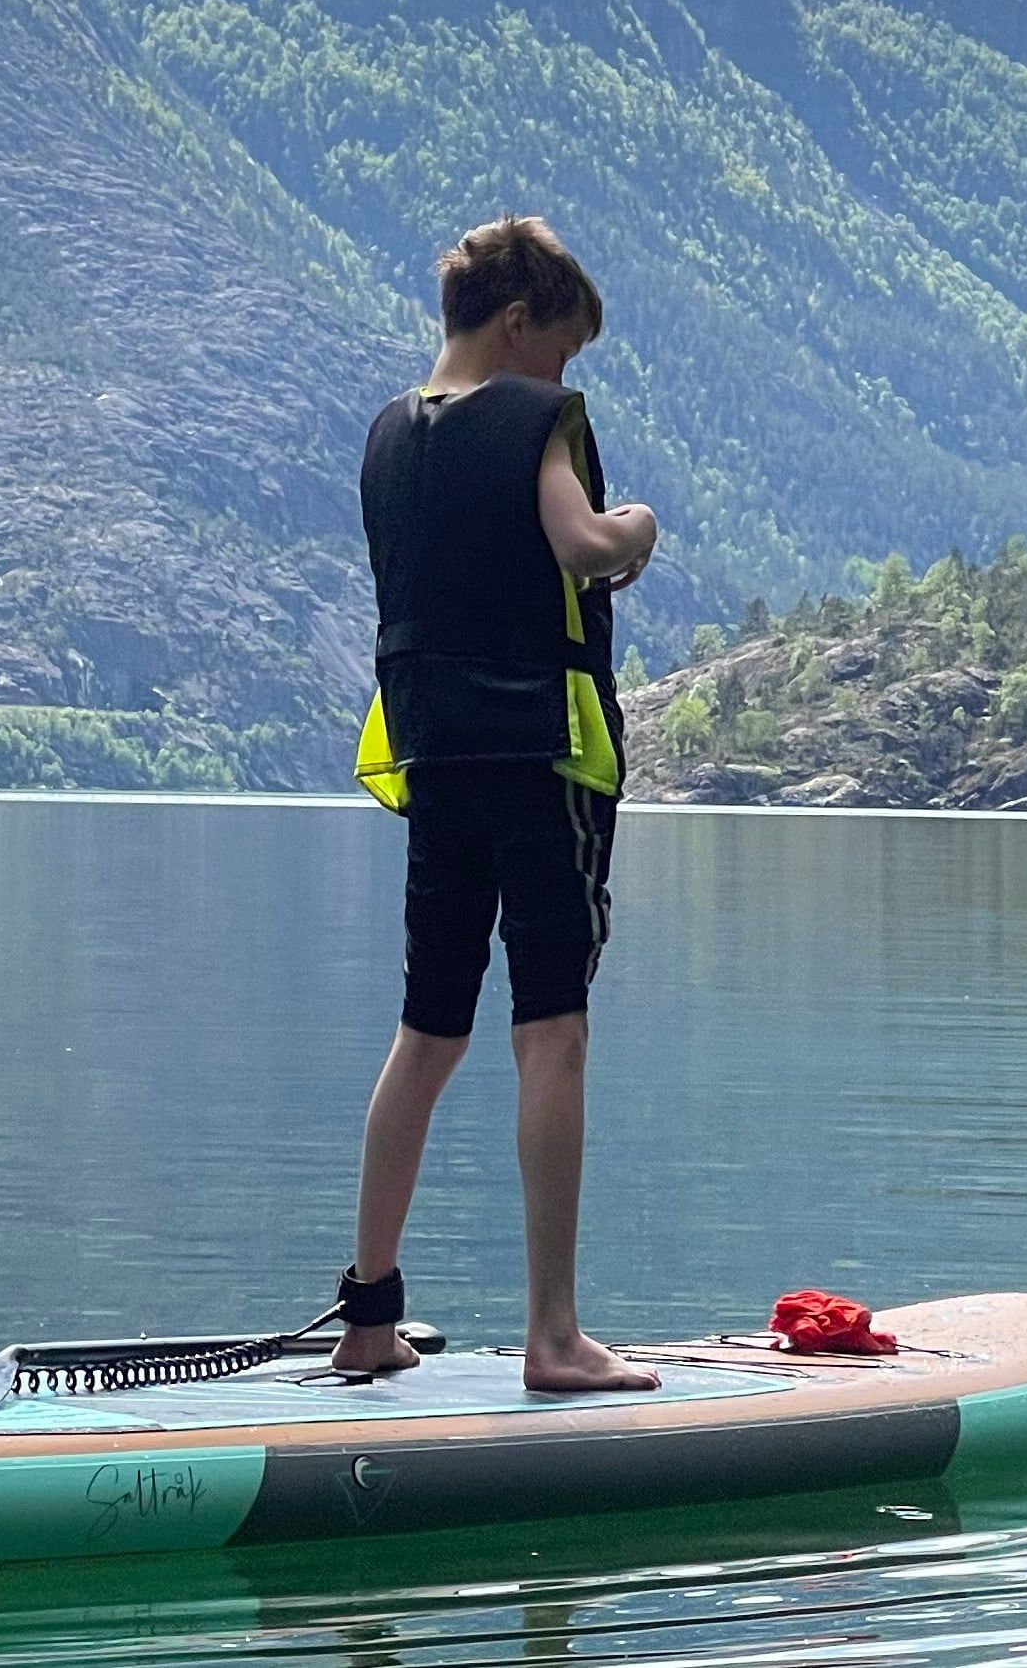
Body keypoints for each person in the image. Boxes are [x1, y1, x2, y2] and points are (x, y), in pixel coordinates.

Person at [329, 215, 661, 1392]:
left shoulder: (385, 437)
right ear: (520, 321)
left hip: (432, 760)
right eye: (563, 347)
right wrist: (639, 529)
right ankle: (555, 1337)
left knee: (426, 1032)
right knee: (552, 1031)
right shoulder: (540, 421)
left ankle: (368, 1318)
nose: (566, 375)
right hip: (541, 756)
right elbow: (578, 546)